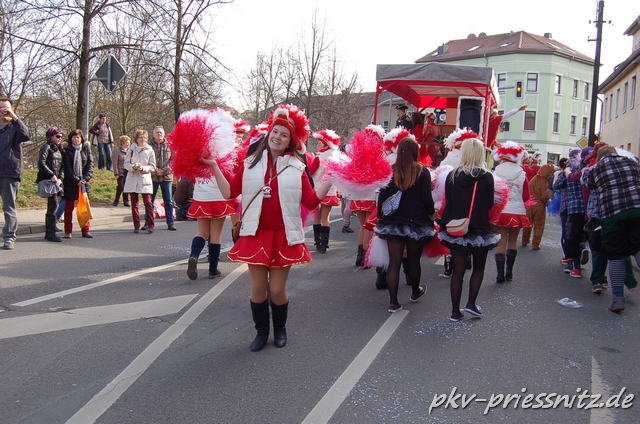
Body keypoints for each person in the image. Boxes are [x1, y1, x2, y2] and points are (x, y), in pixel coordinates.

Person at [209, 104, 330, 352]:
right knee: (257, 289)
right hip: (255, 234)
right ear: (268, 134)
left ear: (290, 142)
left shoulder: (297, 167)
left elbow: (310, 202)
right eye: (275, 132)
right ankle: (261, 333)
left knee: (276, 290)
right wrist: (213, 166)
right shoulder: (250, 163)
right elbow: (229, 192)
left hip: (284, 236)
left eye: (284, 135)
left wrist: (330, 181)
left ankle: (280, 329)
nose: (277, 137)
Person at [438, 138, 500, 322]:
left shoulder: (452, 175)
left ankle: (455, 312)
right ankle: (471, 304)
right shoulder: (487, 177)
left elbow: (449, 201)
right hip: (479, 227)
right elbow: (489, 204)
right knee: (478, 267)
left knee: (458, 270)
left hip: (457, 226)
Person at [375, 137, 435, 312]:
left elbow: (382, 198)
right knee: (414, 262)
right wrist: (431, 214)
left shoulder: (390, 171)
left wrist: (381, 217)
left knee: (394, 263)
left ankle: (393, 302)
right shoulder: (422, 172)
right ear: (415, 151)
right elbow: (427, 199)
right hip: (417, 222)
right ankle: (415, 292)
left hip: (393, 223)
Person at [586, 146, 640, 312]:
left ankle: (617, 299)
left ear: (599, 157)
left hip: (612, 214)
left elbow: (590, 185)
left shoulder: (596, 169)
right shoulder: (632, 163)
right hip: (637, 210)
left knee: (617, 255)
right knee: (638, 248)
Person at [185, 162, 238, 280]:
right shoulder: (222, 157)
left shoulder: (197, 157)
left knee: (202, 232)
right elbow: (229, 176)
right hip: (219, 196)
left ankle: (194, 255)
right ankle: (213, 270)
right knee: (216, 233)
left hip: (201, 196)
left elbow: (191, 175)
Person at [492, 141, 531, 283]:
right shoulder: (522, 173)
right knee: (513, 241)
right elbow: (526, 196)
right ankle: (509, 271)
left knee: (501, 241)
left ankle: (499, 274)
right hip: (517, 211)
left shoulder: (496, 171)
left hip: (501, 211)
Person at [0, 98, 31, 250]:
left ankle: (9, 237)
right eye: (1, 109)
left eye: (6, 108)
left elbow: (26, 136)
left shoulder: (15, 127)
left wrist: (14, 117)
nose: (3, 112)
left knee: (9, 207)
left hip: (10, 172)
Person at [555, 149, 588, 278]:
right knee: (581, 233)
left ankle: (572, 265)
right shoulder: (586, 169)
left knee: (569, 236)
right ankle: (582, 247)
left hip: (571, 206)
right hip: (586, 207)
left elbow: (558, 185)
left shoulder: (570, 170)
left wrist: (558, 175)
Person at [309, 129, 342, 253]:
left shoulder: (319, 158)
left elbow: (310, 172)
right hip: (330, 191)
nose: (317, 145)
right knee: (325, 218)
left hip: (317, 190)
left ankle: (317, 242)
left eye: (319, 143)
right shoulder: (335, 158)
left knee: (316, 217)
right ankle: (324, 244)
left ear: (325, 145)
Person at [61, 129, 94, 238]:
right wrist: (76, 180)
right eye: (74, 137)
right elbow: (67, 168)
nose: (76, 139)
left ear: (81, 139)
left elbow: (90, 164)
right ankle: (68, 231)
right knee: (69, 208)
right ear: (71, 139)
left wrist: (86, 178)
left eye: (78, 137)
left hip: (84, 181)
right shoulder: (66, 150)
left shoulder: (86, 148)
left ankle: (85, 230)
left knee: (84, 208)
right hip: (71, 182)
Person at [142, 126, 176, 231]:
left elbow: (174, 160)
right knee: (149, 201)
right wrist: (154, 170)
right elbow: (145, 160)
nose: (159, 134)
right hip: (152, 177)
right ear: (153, 134)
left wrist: (165, 170)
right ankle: (148, 222)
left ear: (164, 134)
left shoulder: (170, 145)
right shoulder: (148, 146)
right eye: (157, 133)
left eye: (161, 133)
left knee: (168, 201)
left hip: (167, 177)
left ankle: (170, 222)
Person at [123, 130, 156, 233]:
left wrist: (143, 168)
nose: (143, 139)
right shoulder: (131, 149)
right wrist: (133, 167)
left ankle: (150, 225)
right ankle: (136, 225)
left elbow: (153, 166)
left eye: (144, 138)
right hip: (133, 178)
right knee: (134, 204)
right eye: (141, 137)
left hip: (144, 179)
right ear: (136, 139)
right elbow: (126, 164)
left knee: (148, 203)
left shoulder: (150, 150)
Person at [37, 127, 65, 242]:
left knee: (53, 205)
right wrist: (51, 175)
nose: (60, 138)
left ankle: (49, 232)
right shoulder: (46, 147)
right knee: (53, 204)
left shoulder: (59, 149)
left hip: (56, 181)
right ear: (51, 136)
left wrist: (60, 178)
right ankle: (50, 232)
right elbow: (41, 163)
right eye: (57, 136)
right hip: (48, 180)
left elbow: (63, 165)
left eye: (61, 136)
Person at [521, 163, 554, 250]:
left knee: (527, 224)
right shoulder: (544, 182)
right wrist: (548, 200)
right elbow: (544, 195)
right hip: (539, 204)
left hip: (529, 203)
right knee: (539, 225)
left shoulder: (533, 179)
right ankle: (535, 244)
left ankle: (524, 240)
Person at [112, 135, 131, 207]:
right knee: (120, 186)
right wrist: (116, 173)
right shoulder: (117, 151)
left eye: (129, 142)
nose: (128, 144)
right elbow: (115, 163)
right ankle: (116, 200)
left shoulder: (130, 151)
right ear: (122, 143)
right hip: (120, 172)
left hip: (128, 172)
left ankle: (126, 201)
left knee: (127, 187)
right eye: (127, 142)